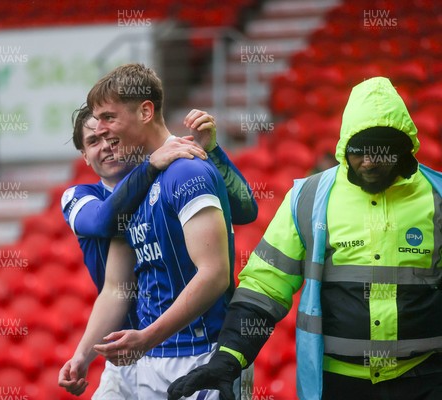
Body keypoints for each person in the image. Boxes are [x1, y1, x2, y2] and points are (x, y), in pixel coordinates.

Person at [167, 76, 442, 400]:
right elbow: (266, 285)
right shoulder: (309, 198)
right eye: (358, 152)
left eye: (380, 153)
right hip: (336, 387)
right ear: (344, 147)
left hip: (426, 381)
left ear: (403, 150)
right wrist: (229, 357)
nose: (367, 162)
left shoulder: (437, 198)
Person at [59, 101, 258, 398]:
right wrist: (82, 355)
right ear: (83, 156)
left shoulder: (169, 177)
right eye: (93, 141)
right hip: (128, 349)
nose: (105, 147)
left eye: (110, 138)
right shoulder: (80, 196)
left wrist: (212, 151)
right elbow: (104, 229)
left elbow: (245, 209)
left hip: (185, 342)